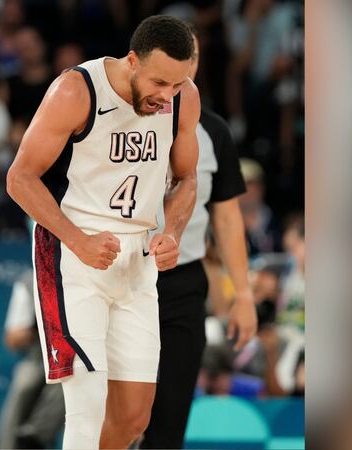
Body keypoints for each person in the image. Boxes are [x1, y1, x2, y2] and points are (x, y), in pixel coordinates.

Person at [5, 15, 199, 450]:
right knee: (87, 407)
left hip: (137, 259)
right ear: (132, 61)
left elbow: (187, 179)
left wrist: (174, 232)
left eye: (177, 84)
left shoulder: (184, 98)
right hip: (73, 251)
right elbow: (20, 178)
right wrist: (77, 239)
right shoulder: (76, 90)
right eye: (159, 83)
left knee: (133, 418)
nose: (167, 97)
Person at [141, 27, 258, 449]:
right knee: (114, 414)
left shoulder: (214, 132)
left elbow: (227, 220)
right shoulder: (111, 116)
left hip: (183, 283)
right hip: (120, 276)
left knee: (170, 415)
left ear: (195, 63)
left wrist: (243, 295)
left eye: (188, 56)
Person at [0, 272, 65, 449]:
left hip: (74, 357)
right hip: (38, 355)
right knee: (25, 382)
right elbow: (13, 339)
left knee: (71, 379)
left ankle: (34, 436)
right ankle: (9, 445)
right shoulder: (29, 281)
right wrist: (41, 327)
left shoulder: (88, 273)